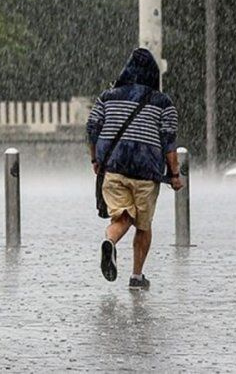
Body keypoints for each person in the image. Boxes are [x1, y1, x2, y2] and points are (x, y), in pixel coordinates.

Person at [86, 48, 183, 290]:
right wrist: (174, 175)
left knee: (123, 216)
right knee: (143, 225)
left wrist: (95, 160)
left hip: (114, 168)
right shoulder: (163, 103)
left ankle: (110, 240)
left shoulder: (107, 97)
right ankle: (137, 277)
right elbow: (168, 142)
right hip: (146, 173)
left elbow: (92, 129)